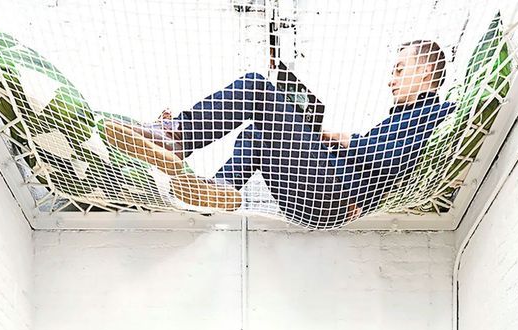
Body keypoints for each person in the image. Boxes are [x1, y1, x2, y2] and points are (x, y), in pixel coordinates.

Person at [105, 40, 453, 229]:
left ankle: (177, 137)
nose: (391, 79)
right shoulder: (404, 116)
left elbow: (391, 160)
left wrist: (344, 138)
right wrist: (321, 138)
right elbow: (383, 157)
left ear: (424, 71)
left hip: (333, 192)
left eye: (399, 69)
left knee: (256, 87)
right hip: (311, 205)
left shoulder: (435, 112)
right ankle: (224, 187)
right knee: (257, 133)